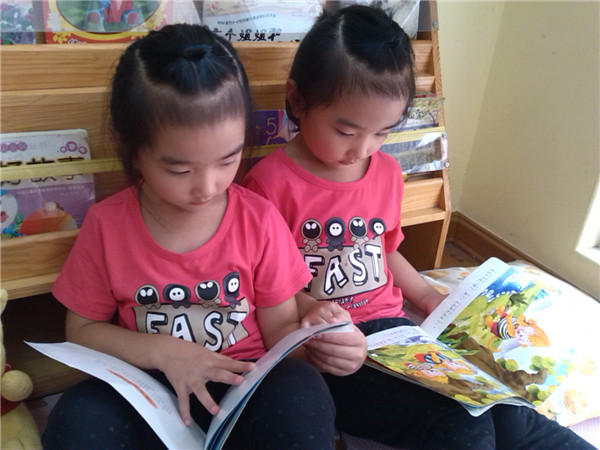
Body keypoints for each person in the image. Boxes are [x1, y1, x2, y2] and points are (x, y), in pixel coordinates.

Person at [242, 5, 595, 449]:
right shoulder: (268, 185)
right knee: (461, 422)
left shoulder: (386, 173)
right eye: (346, 131)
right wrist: (311, 307)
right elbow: (262, 285)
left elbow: (385, 251)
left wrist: (427, 298)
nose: (362, 149)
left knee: (506, 409)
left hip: (397, 333)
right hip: (333, 350)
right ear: (297, 100)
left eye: (382, 133)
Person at [42, 23, 365, 450]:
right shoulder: (107, 224)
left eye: (227, 160)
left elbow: (280, 330)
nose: (207, 187)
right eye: (178, 169)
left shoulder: (258, 219)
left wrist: (328, 345)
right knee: (80, 412)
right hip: (149, 391)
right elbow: (82, 331)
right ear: (129, 145)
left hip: (239, 385)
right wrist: (164, 352)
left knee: (301, 389)